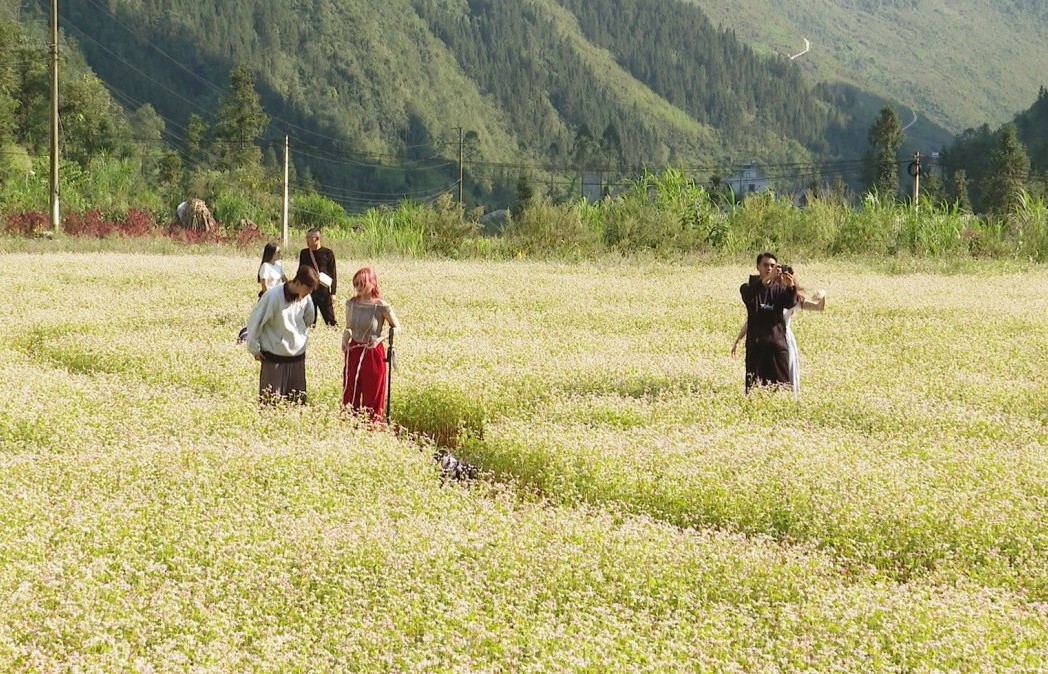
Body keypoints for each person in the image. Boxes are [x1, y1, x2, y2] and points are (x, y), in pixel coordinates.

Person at [732, 272, 826, 398]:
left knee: (786, 372)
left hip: (784, 339)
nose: (780, 280)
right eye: (778, 277)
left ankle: (786, 398)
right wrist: (738, 339)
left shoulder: (792, 298)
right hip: (765, 337)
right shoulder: (765, 296)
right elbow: (751, 320)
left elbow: (819, 307)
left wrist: (823, 295)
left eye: (783, 278)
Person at [244, 265, 319, 404]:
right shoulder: (272, 296)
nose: (309, 293)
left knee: (296, 404)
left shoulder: (306, 298)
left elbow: (309, 319)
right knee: (271, 405)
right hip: (274, 359)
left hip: (297, 359)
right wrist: (254, 348)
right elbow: (255, 321)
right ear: (298, 283)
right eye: (308, 288)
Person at [341, 267, 400, 423]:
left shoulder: (380, 305)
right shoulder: (351, 303)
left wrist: (380, 339)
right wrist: (344, 340)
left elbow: (396, 326)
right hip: (353, 351)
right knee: (350, 390)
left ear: (372, 284)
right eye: (356, 284)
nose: (359, 288)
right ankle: (349, 424)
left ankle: (371, 428)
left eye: (362, 284)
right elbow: (348, 327)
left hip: (373, 353)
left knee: (372, 393)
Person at [737, 252, 798, 392]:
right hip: (756, 349)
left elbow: (790, 303)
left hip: (777, 348)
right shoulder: (747, 287)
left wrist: (790, 287)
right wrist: (766, 280)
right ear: (757, 267)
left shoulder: (779, 290)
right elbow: (749, 297)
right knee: (754, 390)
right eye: (765, 265)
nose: (769, 268)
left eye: (772, 266)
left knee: (781, 390)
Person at [298, 228, 338, 327]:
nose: (307, 240)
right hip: (309, 291)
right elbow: (300, 271)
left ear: (317, 239)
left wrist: (333, 293)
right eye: (306, 237)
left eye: (309, 238)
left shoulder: (328, 253)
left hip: (323, 291)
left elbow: (333, 274)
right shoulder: (304, 253)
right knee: (310, 321)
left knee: (330, 320)